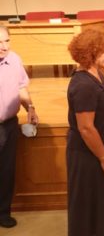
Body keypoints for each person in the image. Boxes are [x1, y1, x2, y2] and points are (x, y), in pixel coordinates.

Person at [66, 29, 104, 235]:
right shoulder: (84, 86)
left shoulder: (97, 74)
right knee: (92, 209)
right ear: (91, 53)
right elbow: (86, 128)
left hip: (100, 150)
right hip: (90, 156)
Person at [0, 25, 39, 229]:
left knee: (6, 171)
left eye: (7, 41)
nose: (4, 46)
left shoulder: (14, 59)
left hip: (8, 125)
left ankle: (3, 213)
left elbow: (21, 87)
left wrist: (30, 107)